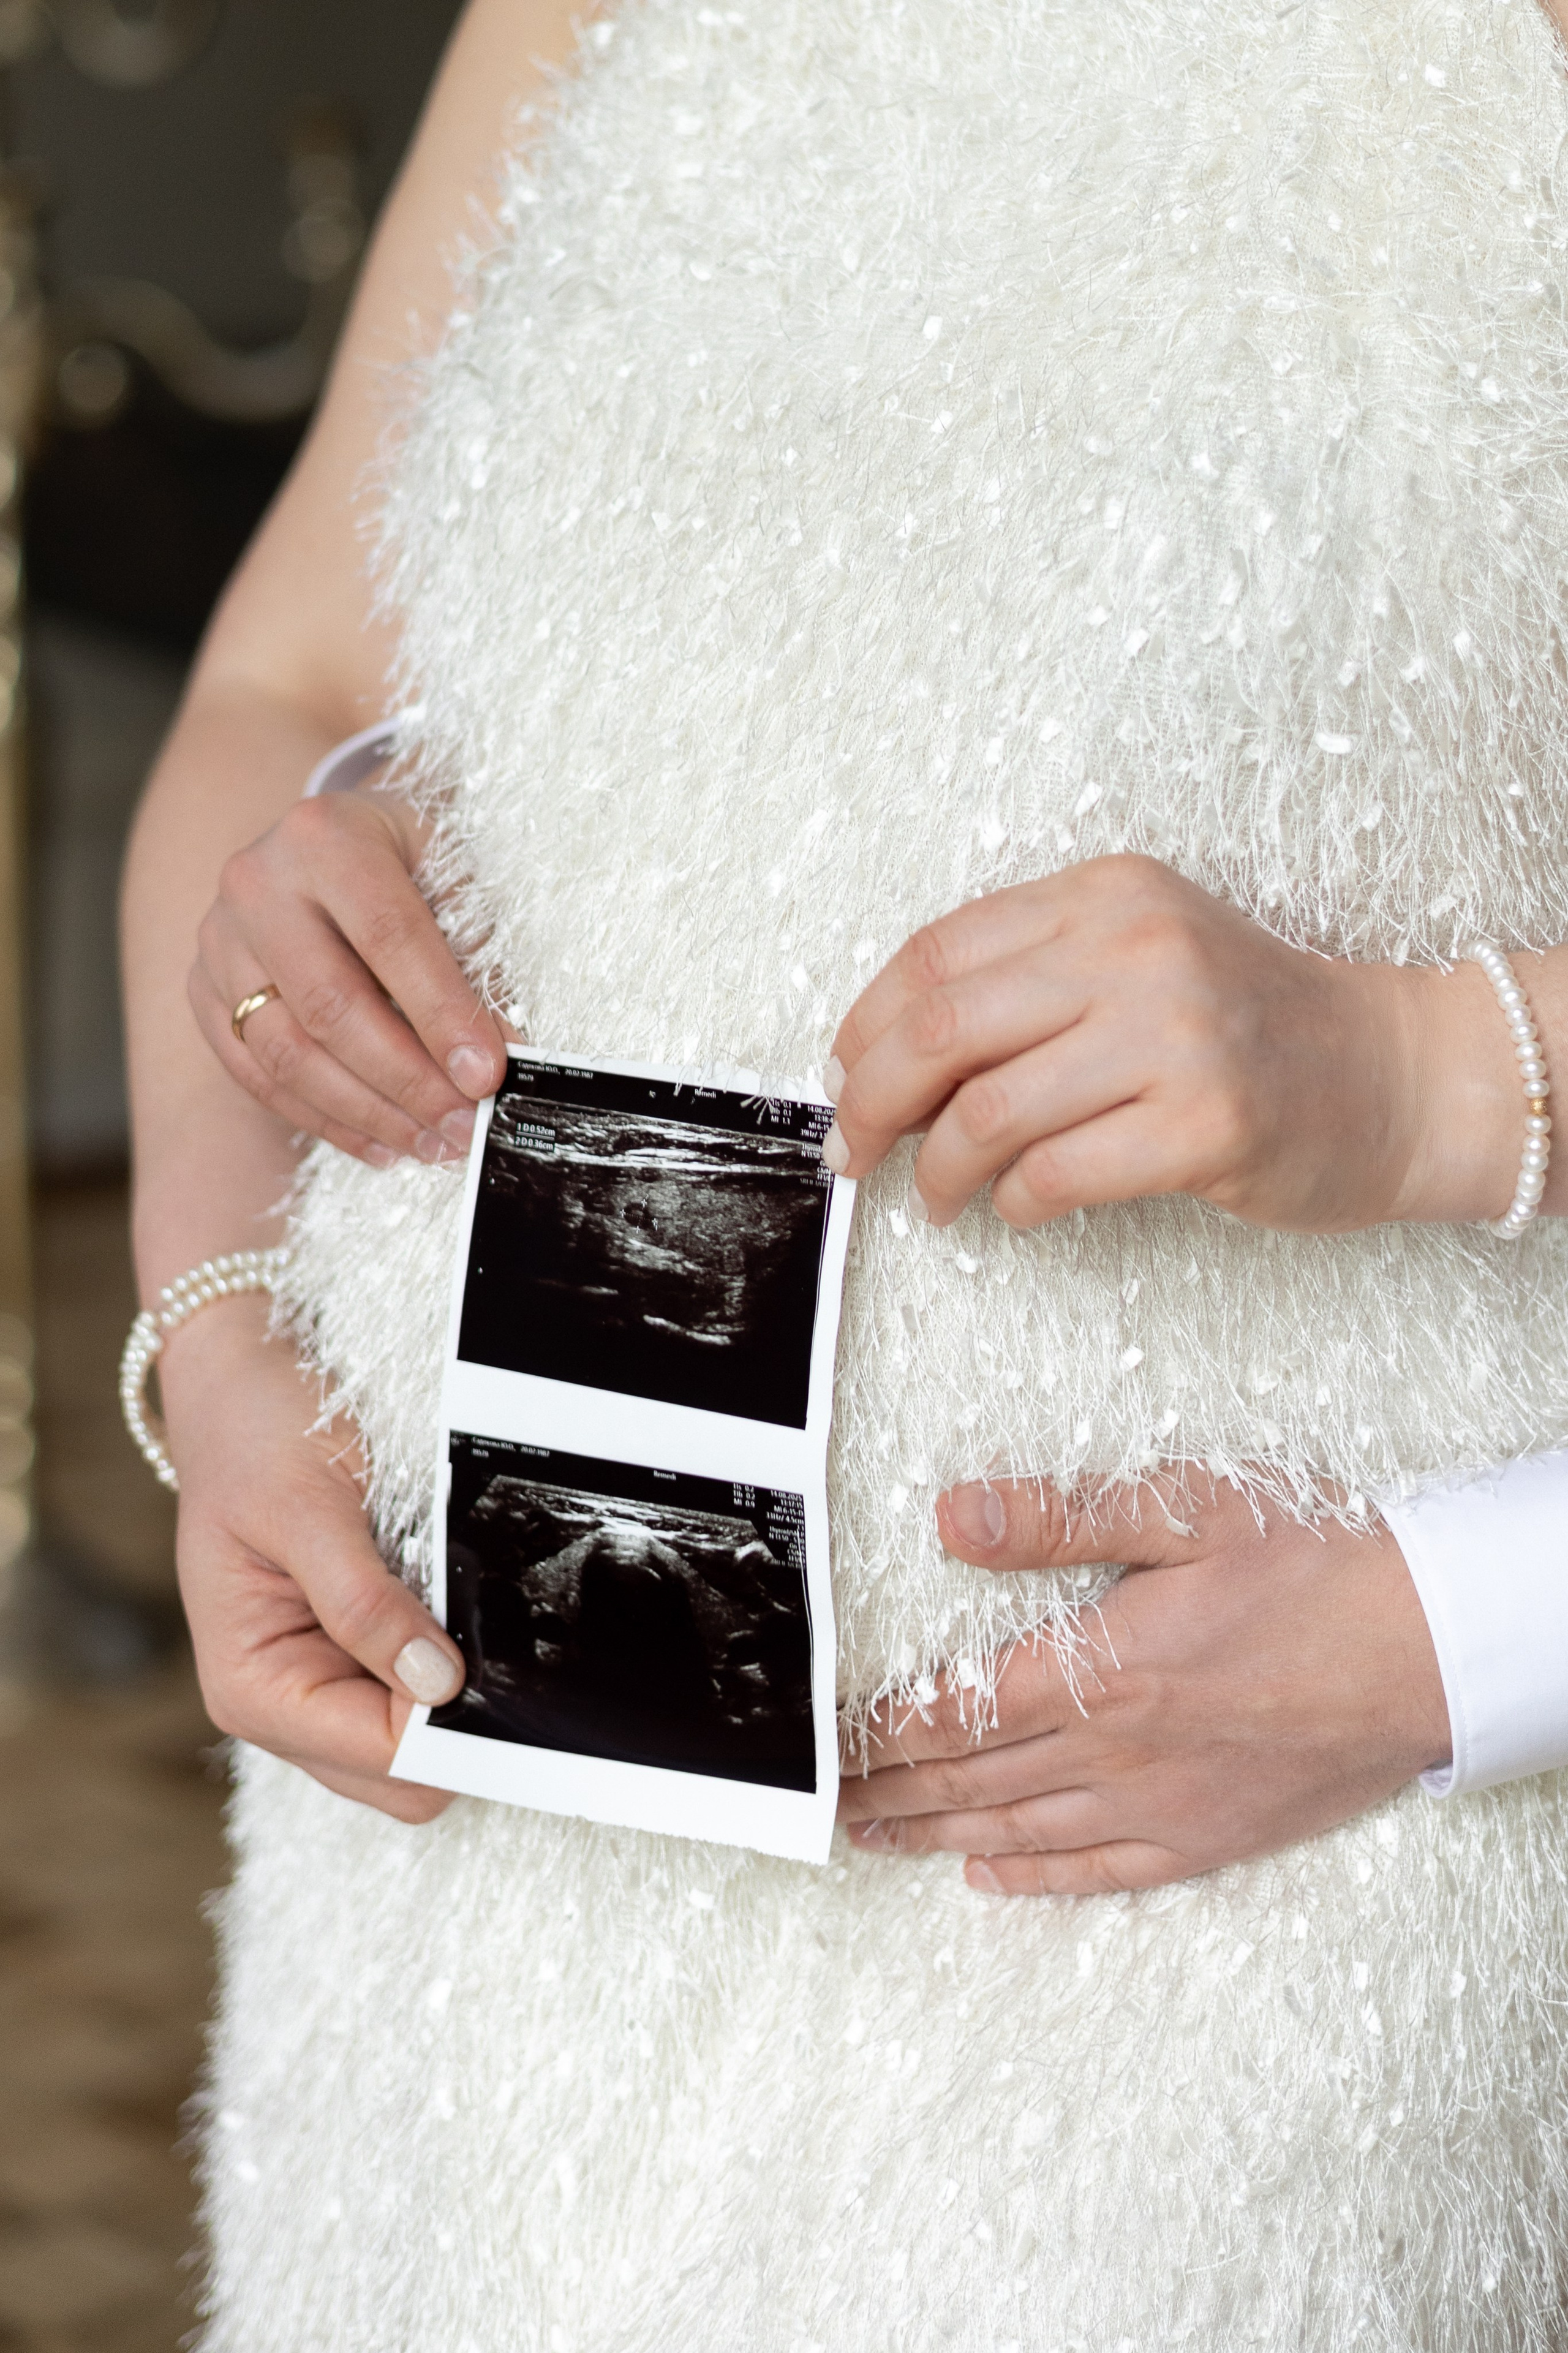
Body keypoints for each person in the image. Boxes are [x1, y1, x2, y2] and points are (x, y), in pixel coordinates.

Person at [121, 0, 1568, 2341]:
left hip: (1245, 1903)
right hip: (483, 1888)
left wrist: (1421, 1082)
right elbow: (280, 688)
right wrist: (219, 1330)